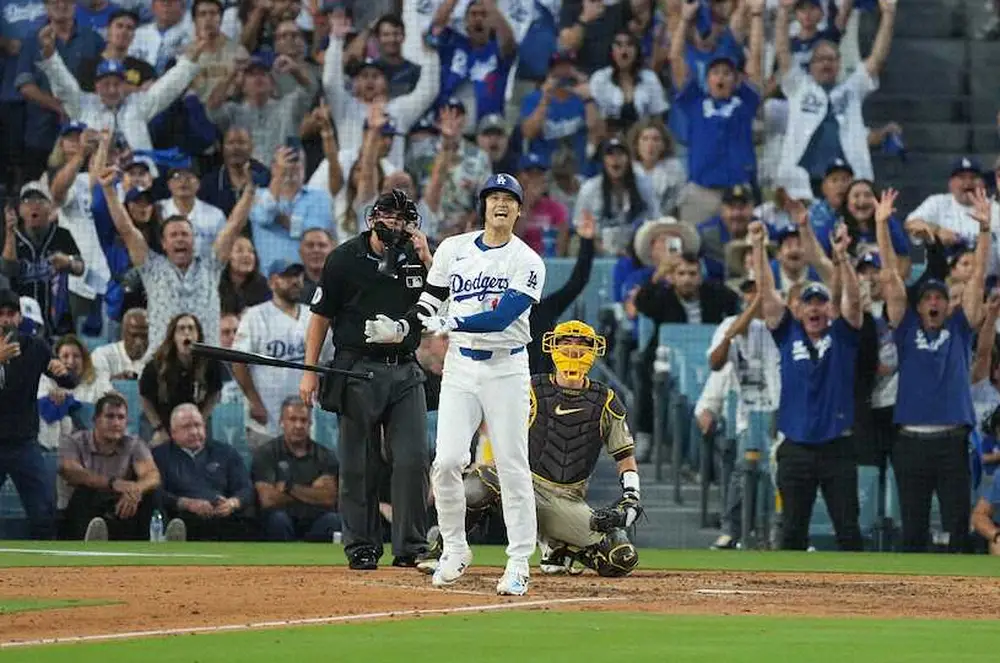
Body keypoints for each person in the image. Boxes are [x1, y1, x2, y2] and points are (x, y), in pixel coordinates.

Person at [368, 174, 546, 596]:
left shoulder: (527, 261)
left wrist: (451, 321)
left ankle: (520, 560)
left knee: (512, 464)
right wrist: (402, 327)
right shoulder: (453, 248)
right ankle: (454, 547)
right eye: (494, 198)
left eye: (509, 199)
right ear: (482, 206)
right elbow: (430, 299)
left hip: (506, 367)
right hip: (462, 367)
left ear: (519, 210)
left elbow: (503, 316)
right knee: (446, 461)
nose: (500, 205)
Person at [417, 321, 641, 577]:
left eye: (582, 344)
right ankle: (446, 548)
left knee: (620, 559)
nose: (574, 350)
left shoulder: (607, 400)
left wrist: (632, 497)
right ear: (552, 347)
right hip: (521, 483)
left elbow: (624, 457)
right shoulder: (529, 387)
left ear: (594, 350)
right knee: (483, 481)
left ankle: (561, 547)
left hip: (567, 499)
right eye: (566, 342)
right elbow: (490, 427)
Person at [299, 189, 434, 570]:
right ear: (373, 219)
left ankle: (411, 546)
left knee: (412, 457)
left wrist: (428, 259)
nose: (396, 224)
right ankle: (361, 545)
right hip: (356, 367)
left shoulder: (418, 256)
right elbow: (320, 317)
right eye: (390, 216)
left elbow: (446, 301)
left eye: (404, 218)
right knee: (359, 463)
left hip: (405, 367)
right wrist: (310, 372)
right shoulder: (343, 258)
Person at [876, 187, 989, 553]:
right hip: (910, 442)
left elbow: (977, 283)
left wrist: (985, 232)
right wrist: (881, 225)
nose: (934, 302)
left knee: (958, 527)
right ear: (920, 305)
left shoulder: (959, 328)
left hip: (952, 442)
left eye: (939, 296)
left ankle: (960, 605)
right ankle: (911, 604)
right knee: (913, 529)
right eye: (927, 298)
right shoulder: (906, 328)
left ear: (947, 302)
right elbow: (891, 278)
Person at [753, 218, 864, 551]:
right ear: (798, 309)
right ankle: (788, 599)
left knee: (848, 527)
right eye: (809, 303)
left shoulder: (843, 336)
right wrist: (759, 246)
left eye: (821, 302)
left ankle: (863, 600)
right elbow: (766, 294)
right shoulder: (787, 332)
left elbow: (855, 305)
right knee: (792, 531)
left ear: (829, 309)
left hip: (837, 446)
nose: (815, 308)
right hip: (796, 445)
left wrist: (842, 258)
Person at [0, 287, 75, 539]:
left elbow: (70, 382)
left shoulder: (35, 347)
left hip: (23, 443)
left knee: (44, 514)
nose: (5, 320)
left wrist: (63, 372)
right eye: (0, 314)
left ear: (20, 318)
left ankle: (43, 575)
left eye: (11, 314)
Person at [232, 260, 330, 448]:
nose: (295, 281)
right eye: (287, 276)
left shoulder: (313, 317)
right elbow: (238, 362)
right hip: (266, 417)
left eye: (298, 276)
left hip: (305, 419)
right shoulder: (254, 316)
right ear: (272, 282)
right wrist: (254, 401)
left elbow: (327, 360)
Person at [57, 392, 161, 540]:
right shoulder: (73, 441)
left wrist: (136, 490)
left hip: (121, 508)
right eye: (110, 416)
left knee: (151, 493)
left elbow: (152, 475)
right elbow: (70, 471)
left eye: (121, 418)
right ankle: (90, 539)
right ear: (95, 420)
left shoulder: (133, 443)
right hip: (85, 510)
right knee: (85, 490)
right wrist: (113, 483)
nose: (116, 423)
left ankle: (155, 542)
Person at [152, 403, 254, 541]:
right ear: (173, 433)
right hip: (182, 517)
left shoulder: (226, 452)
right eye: (186, 427)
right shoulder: (159, 455)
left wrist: (232, 503)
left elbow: (246, 488)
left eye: (198, 425)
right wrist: (186, 503)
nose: (194, 431)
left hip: (223, 518)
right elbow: (156, 492)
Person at [252, 397, 341, 542]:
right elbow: (268, 499)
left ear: (310, 423)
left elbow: (328, 498)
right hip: (280, 518)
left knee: (332, 520)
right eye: (292, 419)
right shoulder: (266, 453)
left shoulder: (325, 455)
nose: (298, 425)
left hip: (315, 519)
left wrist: (288, 487)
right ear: (282, 422)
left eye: (304, 420)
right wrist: (311, 492)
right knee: (278, 519)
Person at [139, 313, 225, 446]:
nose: (186, 333)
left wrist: (200, 421)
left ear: (198, 335)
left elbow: (215, 393)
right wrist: (159, 428)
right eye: (181, 329)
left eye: (191, 328)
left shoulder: (210, 363)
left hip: (196, 417)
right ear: (173, 336)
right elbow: (145, 398)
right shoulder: (156, 364)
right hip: (162, 420)